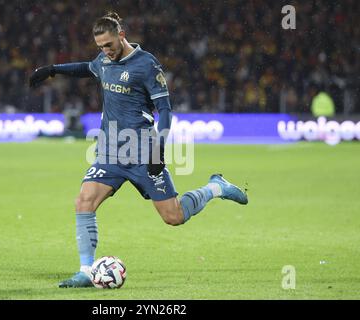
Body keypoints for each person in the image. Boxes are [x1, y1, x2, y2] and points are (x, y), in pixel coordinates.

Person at [29, 12, 248, 288]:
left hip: (143, 152)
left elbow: (166, 110)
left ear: (121, 35)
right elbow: (88, 67)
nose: (105, 52)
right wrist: (53, 69)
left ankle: (216, 187)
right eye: (100, 47)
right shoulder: (104, 60)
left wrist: (159, 149)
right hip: (110, 152)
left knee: (174, 216)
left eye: (109, 45)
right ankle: (86, 270)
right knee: (84, 202)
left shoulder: (146, 65)